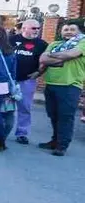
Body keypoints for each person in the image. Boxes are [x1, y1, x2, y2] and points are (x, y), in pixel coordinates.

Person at [38, 21, 84, 156]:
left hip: (70, 85)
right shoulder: (54, 44)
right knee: (53, 115)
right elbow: (43, 59)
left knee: (65, 117)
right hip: (51, 83)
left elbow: (70, 55)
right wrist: (62, 57)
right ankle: (55, 141)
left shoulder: (82, 42)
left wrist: (53, 56)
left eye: (72, 29)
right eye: (66, 29)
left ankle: (62, 145)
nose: (68, 32)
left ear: (79, 32)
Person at [10, 19, 48, 145]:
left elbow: (45, 62)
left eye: (38, 28)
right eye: (33, 28)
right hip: (9, 79)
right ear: (24, 28)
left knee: (24, 108)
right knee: (1, 106)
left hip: (27, 81)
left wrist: (39, 72)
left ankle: (22, 133)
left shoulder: (42, 44)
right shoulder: (11, 40)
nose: (36, 30)